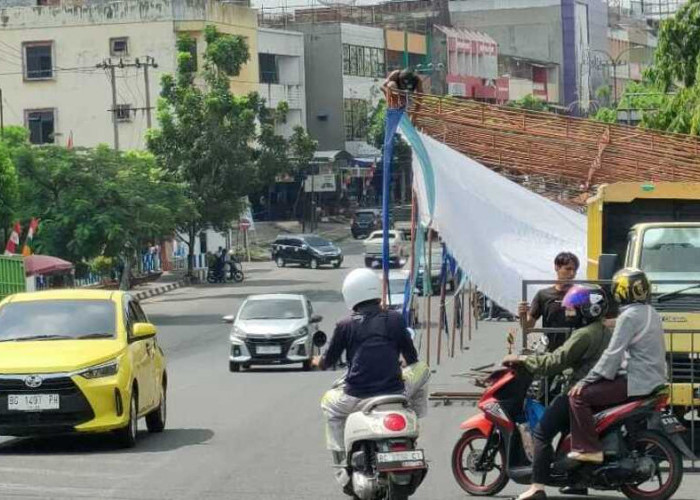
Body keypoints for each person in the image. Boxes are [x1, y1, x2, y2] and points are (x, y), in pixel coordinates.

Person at [312, 268, 430, 486]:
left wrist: (316, 361)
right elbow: (412, 358)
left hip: (356, 397)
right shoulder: (394, 319)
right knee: (423, 368)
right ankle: (414, 413)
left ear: (350, 294)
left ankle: (340, 459)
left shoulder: (345, 325)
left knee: (328, 404)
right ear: (377, 290)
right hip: (395, 394)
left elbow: (328, 361)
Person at [503, 285, 611, 500]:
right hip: (595, 387)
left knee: (543, 432)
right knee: (567, 432)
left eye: (573, 309)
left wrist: (524, 359)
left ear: (589, 310)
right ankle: (575, 481)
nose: (569, 313)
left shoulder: (583, 335)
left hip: (578, 388)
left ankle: (537, 486)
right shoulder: (603, 330)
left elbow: (555, 361)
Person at [568, 268, 666, 464]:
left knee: (578, 397)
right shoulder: (651, 312)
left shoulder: (628, 317)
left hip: (636, 381)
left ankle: (589, 449)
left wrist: (587, 380)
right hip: (654, 378)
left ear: (621, 291)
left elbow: (613, 354)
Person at [518, 252, 580, 352]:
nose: (572, 274)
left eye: (575, 270)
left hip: (576, 352)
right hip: (551, 353)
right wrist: (522, 314)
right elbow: (527, 327)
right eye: (568, 269)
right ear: (557, 268)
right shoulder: (543, 295)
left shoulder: (581, 294)